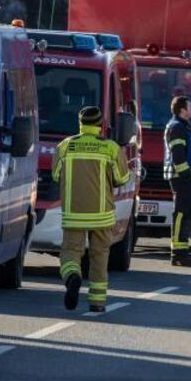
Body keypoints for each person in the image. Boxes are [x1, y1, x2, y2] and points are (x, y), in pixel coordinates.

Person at [52, 106, 130, 313]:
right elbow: (122, 178)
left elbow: (55, 175)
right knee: (100, 255)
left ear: (80, 123)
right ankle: (97, 302)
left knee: (70, 252)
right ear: (100, 124)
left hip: (73, 213)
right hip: (102, 214)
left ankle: (72, 276)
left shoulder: (65, 146)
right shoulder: (111, 148)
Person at [164, 96, 191, 267]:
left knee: (188, 214)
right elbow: (178, 156)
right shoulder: (176, 128)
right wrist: (188, 177)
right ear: (182, 110)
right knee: (182, 214)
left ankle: (182, 252)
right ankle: (178, 254)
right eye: (190, 107)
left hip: (188, 179)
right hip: (181, 178)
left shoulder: (184, 127)